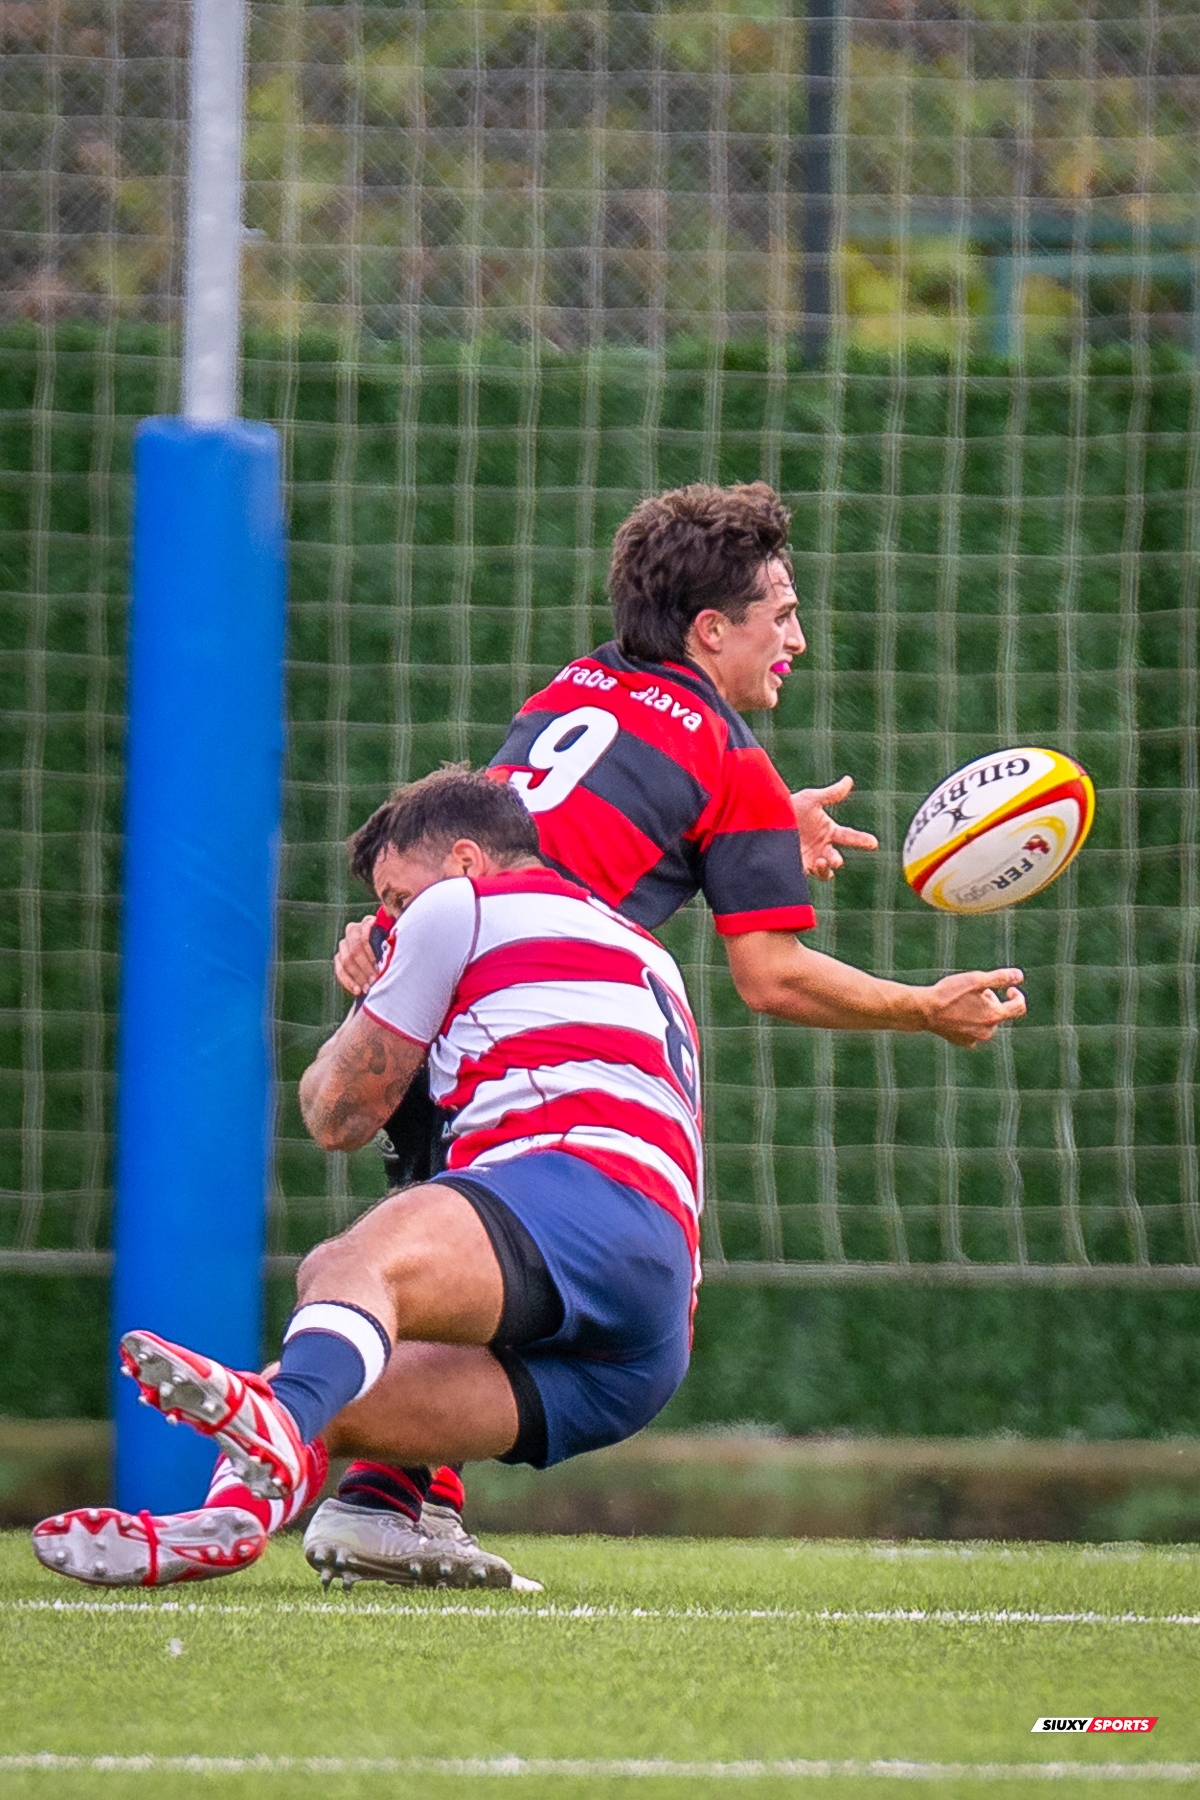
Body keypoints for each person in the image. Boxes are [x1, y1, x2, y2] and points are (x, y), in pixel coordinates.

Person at [323, 482, 1028, 1579]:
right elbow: (773, 978)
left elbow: (571, 815)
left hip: (423, 959)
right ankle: (373, 1493)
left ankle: (390, 1494)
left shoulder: (575, 683)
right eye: (779, 613)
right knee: (550, 1258)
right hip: (525, 1007)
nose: (797, 637)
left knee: (456, 1235)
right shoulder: (731, 759)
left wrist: (749, 828)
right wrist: (919, 1007)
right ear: (710, 629)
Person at [33, 771, 702, 1593]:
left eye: (395, 896)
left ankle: (280, 1432)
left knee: (345, 1268)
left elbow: (336, 1115)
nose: (387, 919)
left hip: (582, 1192)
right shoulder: (642, 950)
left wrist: (371, 997)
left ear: (463, 862)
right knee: (326, 1387)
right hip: (645, 1339)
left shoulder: (461, 908)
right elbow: (441, 1155)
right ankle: (233, 1523)